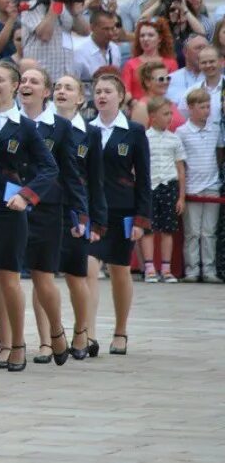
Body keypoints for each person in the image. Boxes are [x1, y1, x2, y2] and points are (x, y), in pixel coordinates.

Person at [0, 61, 58, 372]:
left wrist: (26, 195)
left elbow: (49, 168)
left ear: (14, 86)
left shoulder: (24, 126)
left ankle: (18, 344)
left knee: (9, 279)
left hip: (9, 210)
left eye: (1, 80)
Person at [17, 66, 87, 366]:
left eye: (35, 81)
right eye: (23, 80)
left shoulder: (60, 127)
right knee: (5, 276)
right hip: (10, 206)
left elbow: (71, 174)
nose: (26, 85)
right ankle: (36, 341)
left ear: (45, 92)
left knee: (42, 275)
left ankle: (56, 333)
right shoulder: (7, 121)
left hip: (46, 209)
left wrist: (81, 212)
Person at [86, 73, 151, 356]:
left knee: (119, 270)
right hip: (91, 210)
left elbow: (144, 178)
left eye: (107, 91)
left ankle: (121, 330)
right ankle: (86, 333)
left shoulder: (134, 131)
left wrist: (141, 219)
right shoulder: (86, 129)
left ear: (121, 95)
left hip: (122, 207)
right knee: (87, 267)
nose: (101, 96)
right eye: (98, 91)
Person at [45, 75, 108, 359]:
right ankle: (48, 340)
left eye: (68, 88)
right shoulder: (42, 127)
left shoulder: (91, 133)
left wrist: (96, 219)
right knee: (41, 274)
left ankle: (82, 332)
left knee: (75, 275)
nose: (62, 91)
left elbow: (96, 181)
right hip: (46, 207)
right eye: (58, 87)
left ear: (80, 99)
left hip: (76, 211)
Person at [175, 88, 222, 283]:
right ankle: (192, 269)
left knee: (209, 232)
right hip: (193, 187)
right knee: (192, 232)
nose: (207, 110)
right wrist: (183, 193)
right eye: (202, 107)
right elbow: (180, 162)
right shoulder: (182, 132)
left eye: (208, 106)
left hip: (212, 185)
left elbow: (219, 155)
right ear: (191, 108)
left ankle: (209, 269)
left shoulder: (215, 129)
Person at [142, 97, 186, 284]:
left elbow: (180, 169)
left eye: (170, 113)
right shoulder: (144, 138)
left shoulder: (174, 139)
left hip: (169, 187)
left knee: (168, 230)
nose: (170, 117)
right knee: (148, 230)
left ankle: (166, 269)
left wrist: (181, 197)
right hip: (149, 187)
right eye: (165, 113)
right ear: (152, 116)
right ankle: (149, 268)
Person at [19, 0, 90, 83]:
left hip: (65, 77)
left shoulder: (65, 7)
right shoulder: (33, 6)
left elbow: (85, 31)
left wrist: (76, 14)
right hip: (41, 77)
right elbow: (45, 35)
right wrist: (55, 4)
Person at [121, 19, 177, 101]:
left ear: (160, 38)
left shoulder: (171, 63)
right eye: (142, 36)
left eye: (150, 35)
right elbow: (125, 91)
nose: (145, 39)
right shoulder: (130, 64)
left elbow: (173, 91)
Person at [130, 62, 185, 132]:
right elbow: (138, 138)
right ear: (147, 82)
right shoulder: (142, 107)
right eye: (161, 79)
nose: (165, 82)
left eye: (168, 78)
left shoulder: (170, 103)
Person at [74, 11, 121, 87]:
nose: (110, 33)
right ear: (92, 27)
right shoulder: (78, 52)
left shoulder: (115, 49)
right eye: (106, 29)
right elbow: (73, 83)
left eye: (112, 28)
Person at [166, 35, 207, 105]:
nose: (203, 52)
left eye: (206, 48)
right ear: (185, 52)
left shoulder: (219, 79)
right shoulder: (170, 80)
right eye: (198, 48)